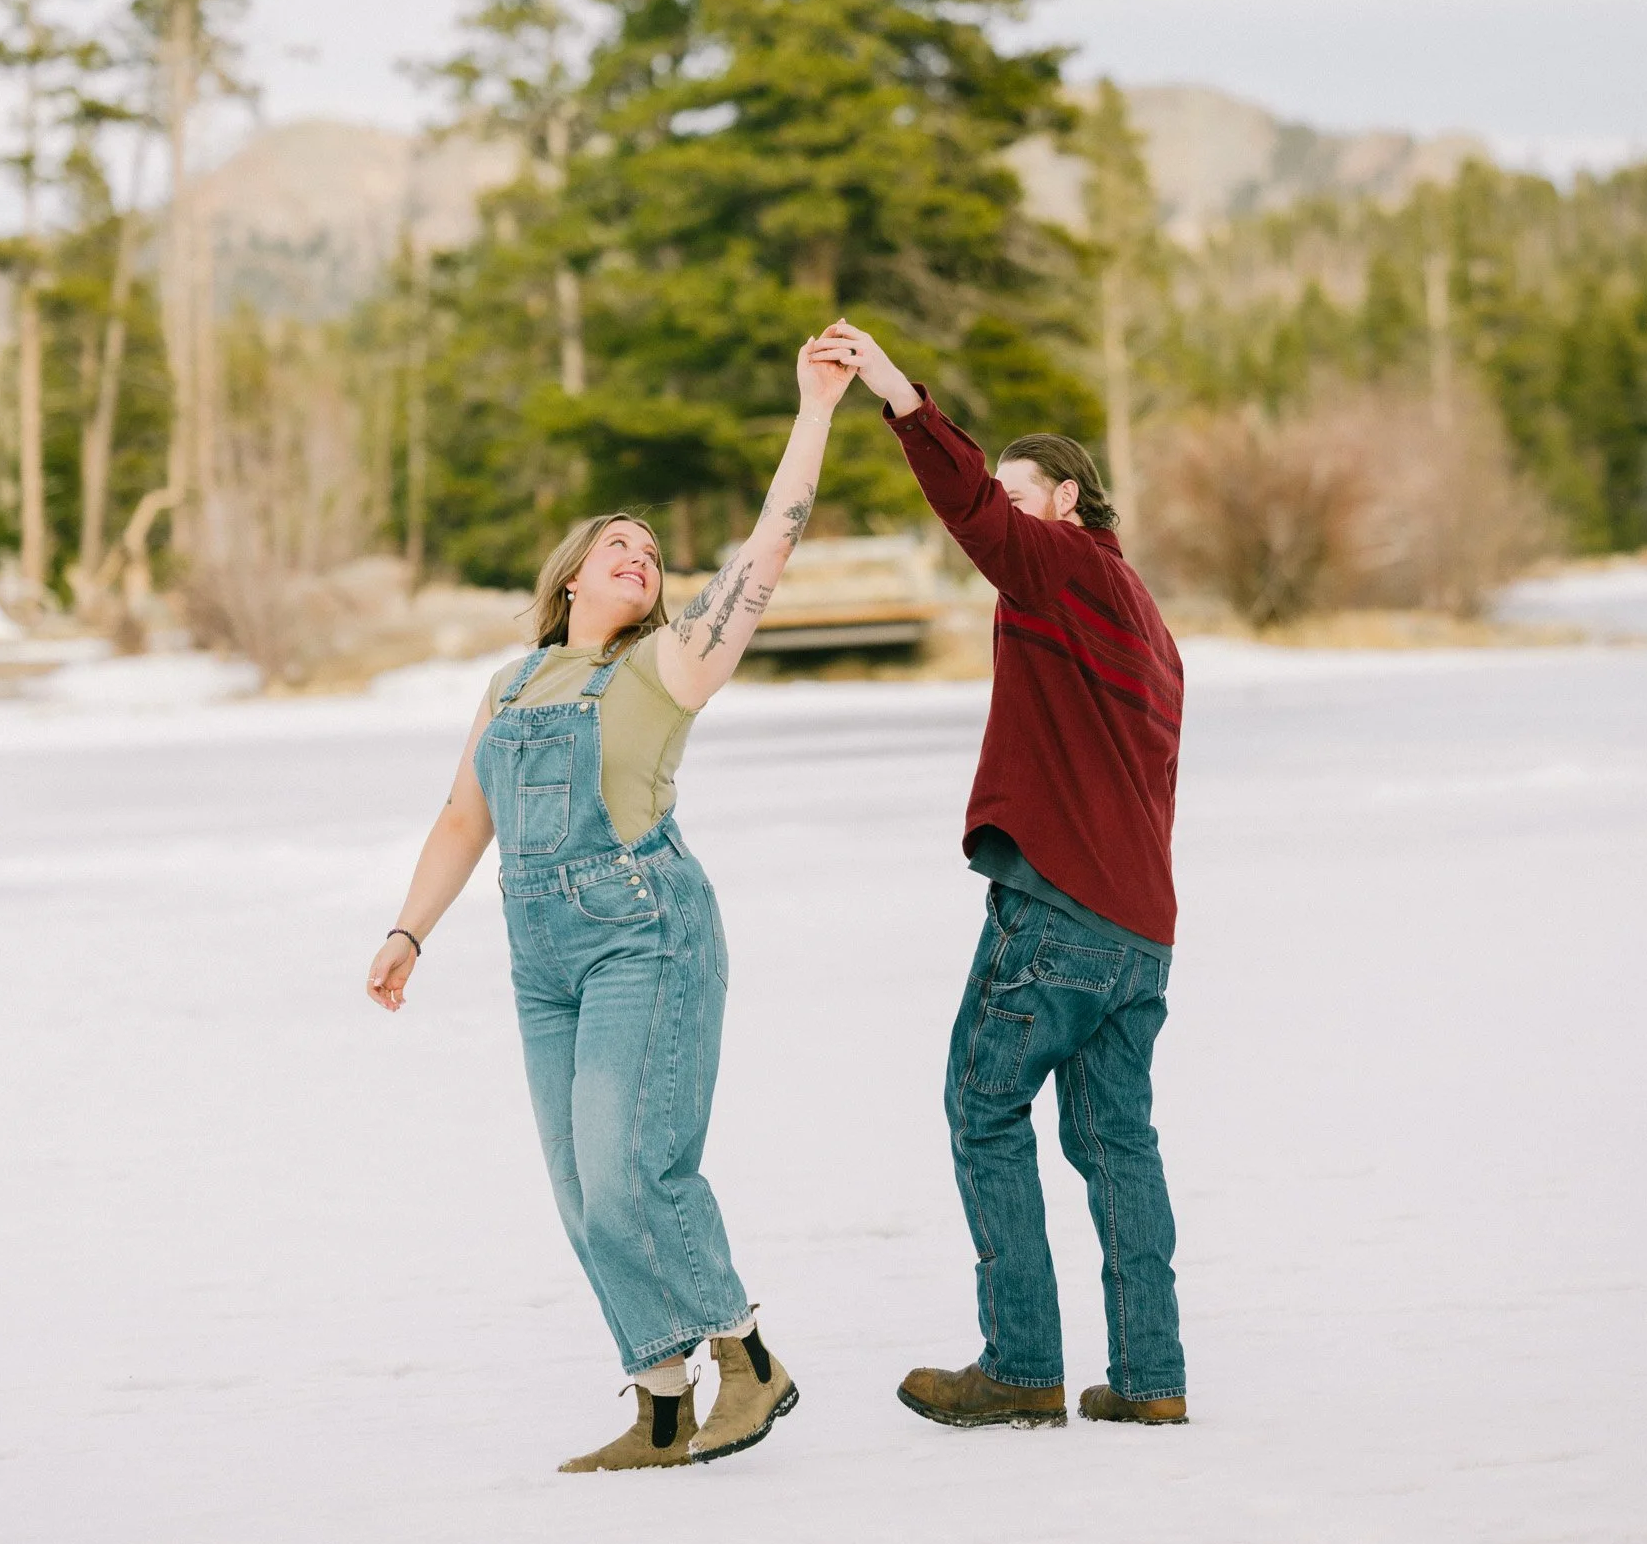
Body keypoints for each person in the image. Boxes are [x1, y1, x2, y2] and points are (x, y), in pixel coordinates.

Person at [366, 336, 855, 1471]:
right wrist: (406, 930)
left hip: (645, 933)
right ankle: (662, 1400)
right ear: (571, 578)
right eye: (615, 547)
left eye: (650, 552)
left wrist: (814, 412)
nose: (638, 557)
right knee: (586, 1194)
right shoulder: (511, 681)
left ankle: (750, 1357)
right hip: (542, 955)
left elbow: (767, 548)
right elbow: (459, 822)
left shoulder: (668, 664)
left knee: (638, 1169)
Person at [818, 322, 1188, 1433]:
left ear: (1067, 501)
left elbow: (971, 505)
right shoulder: (1141, 615)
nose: (1003, 513)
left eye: (1022, 493)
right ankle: (1149, 1379)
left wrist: (894, 394)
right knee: (1116, 1143)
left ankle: (1021, 1366)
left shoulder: (1059, 565)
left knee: (981, 1110)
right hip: (1139, 930)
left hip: (1062, 912)